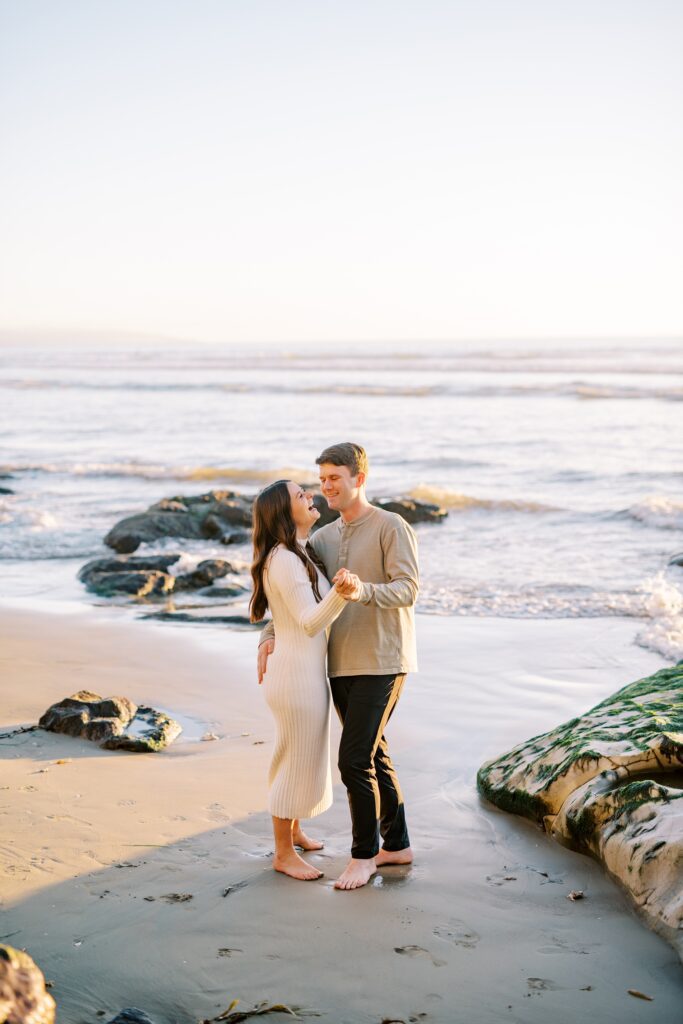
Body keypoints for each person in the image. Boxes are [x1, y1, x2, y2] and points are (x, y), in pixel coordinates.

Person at [258, 443, 418, 890]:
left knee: (353, 760)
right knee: (374, 754)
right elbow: (296, 600)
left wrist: (362, 591)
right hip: (337, 665)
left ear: (359, 479)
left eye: (335, 478)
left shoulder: (391, 526)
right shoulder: (323, 540)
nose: (326, 487)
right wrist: (269, 636)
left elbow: (407, 589)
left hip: (384, 659)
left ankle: (364, 855)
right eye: (322, 479)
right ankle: (397, 843)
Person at [250, 478, 358, 881]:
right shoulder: (283, 559)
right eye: (300, 495)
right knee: (293, 760)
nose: (310, 496)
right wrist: (343, 591)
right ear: (284, 512)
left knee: (304, 755)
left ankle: (294, 833)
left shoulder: (298, 554)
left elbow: (288, 617)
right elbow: (311, 621)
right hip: (295, 678)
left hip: (303, 674)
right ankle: (282, 853)